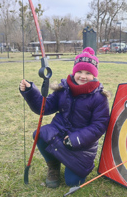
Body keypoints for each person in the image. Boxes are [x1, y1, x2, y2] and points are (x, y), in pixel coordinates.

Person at [19, 47, 110, 188]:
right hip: (59, 133)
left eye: (88, 73)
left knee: (72, 182)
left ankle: (75, 166)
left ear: (95, 75)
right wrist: (31, 91)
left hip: (82, 145)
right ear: (74, 72)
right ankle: (53, 166)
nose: (83, 76)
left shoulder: (99, 97)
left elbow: (99, 126)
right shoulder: (63, 89)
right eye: (79, 71)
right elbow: (44, 107)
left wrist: (77, 138)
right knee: (40, 134)